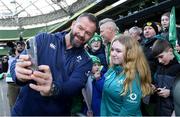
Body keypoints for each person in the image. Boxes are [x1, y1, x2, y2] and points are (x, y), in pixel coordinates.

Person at [10, 13, 97, 116]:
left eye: (88, 33)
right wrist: (18, 73)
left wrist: (53, 88)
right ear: (73, 24)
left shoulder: (86, 61)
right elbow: (16, 62)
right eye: (80, 28)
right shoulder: (43, 39)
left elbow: (73, 87)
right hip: (23, 112)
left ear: (91, 36)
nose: (82, 34)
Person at [100, 34, 152, 116]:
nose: (113, 54)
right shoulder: (113, 70)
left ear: (130, 53)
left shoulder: (133, 77)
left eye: (118, 51)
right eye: (112, 49)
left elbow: (128, 112)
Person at [151, 39, 180, 116]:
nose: (159, 61)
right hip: (159, 110)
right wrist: (154, 87)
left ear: (170, 51)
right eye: (157, 58)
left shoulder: (178, 68)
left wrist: (170, 93)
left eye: (161, 56)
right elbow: (158, 84)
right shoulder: (160, 67)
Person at [6, 41, 25, 110]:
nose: (20, 46)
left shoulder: (27, 55)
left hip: (24, 83)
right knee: (13, 105)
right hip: (12, 83)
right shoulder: (11, 56)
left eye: (22, 45)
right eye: (18, 45)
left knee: (24, 105)